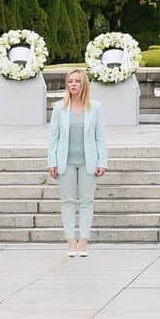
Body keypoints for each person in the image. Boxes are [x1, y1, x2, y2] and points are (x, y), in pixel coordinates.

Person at [46, 69, 107, 257]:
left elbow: (100, 138)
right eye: (70, 81)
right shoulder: (59, 108)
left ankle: (83, 242)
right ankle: (71, 242)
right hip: (66, 162)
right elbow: (53, 138)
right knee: (68, 201)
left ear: (84, 84)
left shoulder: (95, 107)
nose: (73, 84)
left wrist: (102, 161)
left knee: (87, 201)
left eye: (77, 81)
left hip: (89, 161)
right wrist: (52, 162)